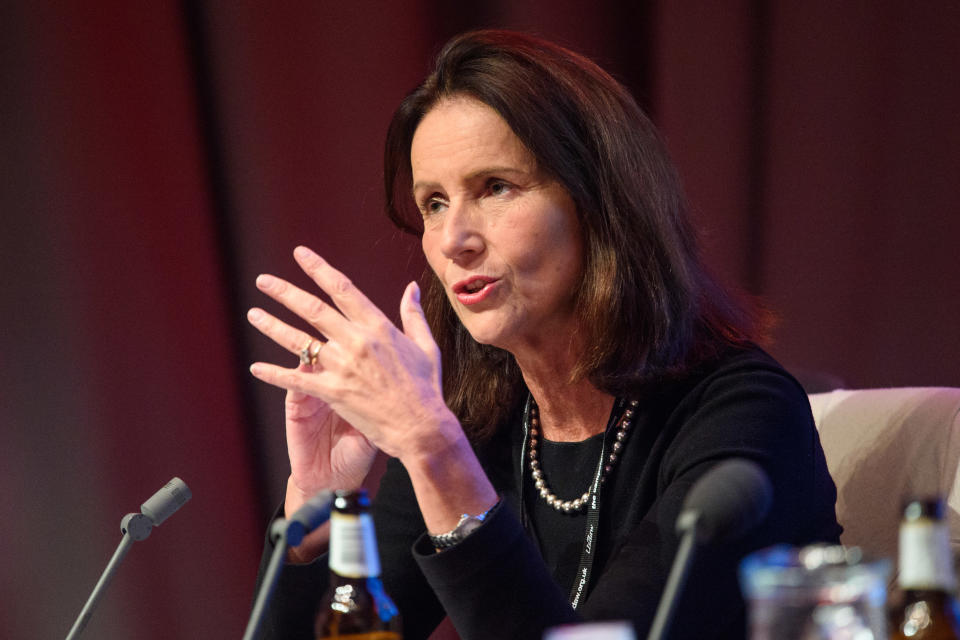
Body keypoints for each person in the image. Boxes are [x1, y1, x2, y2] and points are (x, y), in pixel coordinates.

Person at [247, 30, 841, 640]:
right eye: (433, 203)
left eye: (495, 188)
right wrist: (313, 526)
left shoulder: (745, 418)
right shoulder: (478, 426)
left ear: (600, 199)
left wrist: (432, 446)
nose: (454, 240)